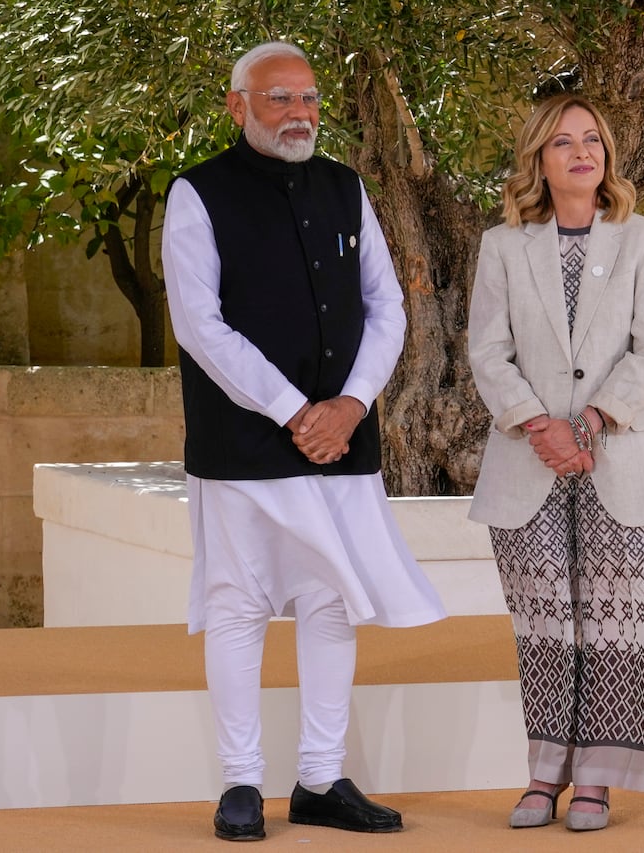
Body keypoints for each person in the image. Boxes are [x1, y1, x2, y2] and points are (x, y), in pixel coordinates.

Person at [161, 41, 447, 842]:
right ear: (237, 105)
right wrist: (296, 411)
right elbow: (200, 325)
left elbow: (387, 307)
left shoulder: (344, 187)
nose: (299, 113)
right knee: (238, 603)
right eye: (279, 98)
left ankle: (321, 776)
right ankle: (241, 783)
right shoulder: (197, 194)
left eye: (309, 98)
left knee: (331, 602)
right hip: (244, 444)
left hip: (343, 438)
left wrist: (351, 404)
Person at [467, 93, 644, 832]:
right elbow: (488, 351)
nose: (582, 152)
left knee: (622, 627)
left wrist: (586, 424)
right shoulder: (503, 246)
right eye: (563, 142)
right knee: (544, 625)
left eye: (592, 139)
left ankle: (597, 778)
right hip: (527, 463)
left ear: (607, 155)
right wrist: (540, 426)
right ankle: (544, 772)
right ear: (539, 158)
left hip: (622, 459)